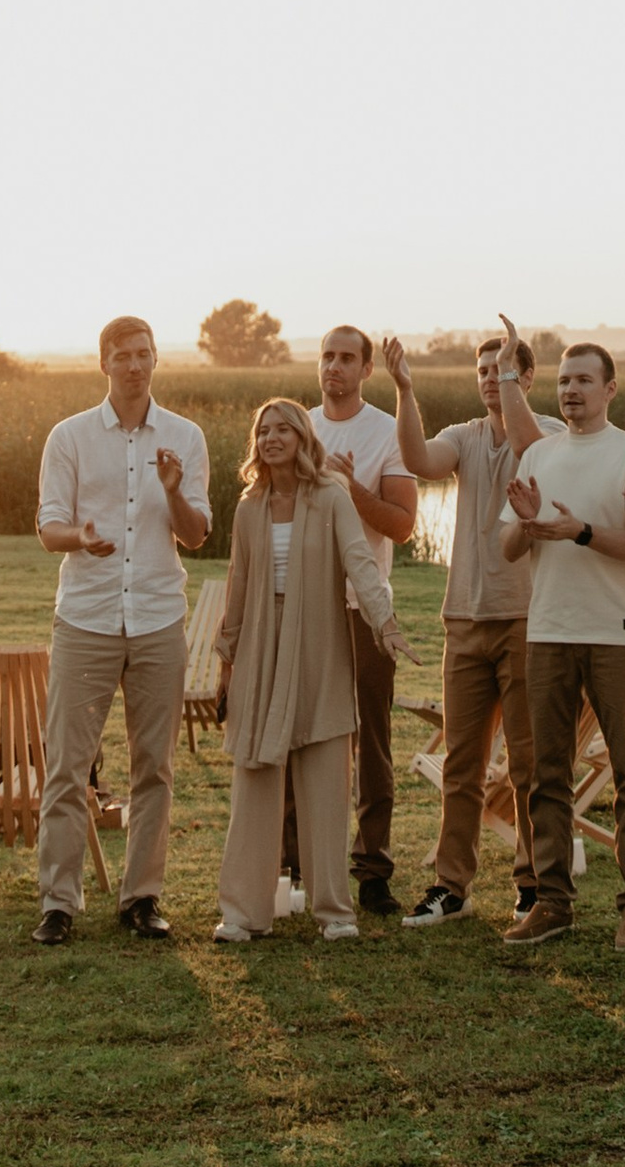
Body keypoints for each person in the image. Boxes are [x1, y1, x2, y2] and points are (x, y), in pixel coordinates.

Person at [33, 317, 212, 946]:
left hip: (159, 619)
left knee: (153, 767)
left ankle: (141, 898)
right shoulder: (70, 437)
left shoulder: (185, 438)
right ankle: (58, 903)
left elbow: (197, 533)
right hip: (86, 618)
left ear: (155, 359)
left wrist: (174, 491)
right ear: (103, 363)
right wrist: (79, 537)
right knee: (68, 766)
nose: (134, 366)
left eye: (143, 354)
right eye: (122, 356)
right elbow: (48, 526)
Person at [212, 401, 416, 939]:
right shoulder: (249, 508)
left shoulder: (331, 495)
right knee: (255, 775)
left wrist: (385, 623)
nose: (272, 438)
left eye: (283, 429)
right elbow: (238, 584)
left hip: (320, 639)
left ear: (304, 438)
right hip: (261, 643)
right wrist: (227, 660)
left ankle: (334, 911)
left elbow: (360, 562)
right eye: (264, 430)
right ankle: (244, 913)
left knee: (325, 773)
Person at [496, 345, 625, 952]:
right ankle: (552, 903)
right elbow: (509, 550)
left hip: (615, 635)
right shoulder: (538, 455)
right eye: (565, 380)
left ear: (610, 389)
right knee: (546, 774)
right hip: (548, 632)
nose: (571, 390)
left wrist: (582, 532)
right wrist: (527, 523)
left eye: (584, 380)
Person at [383, 318, 555, 928]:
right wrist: (405, 390)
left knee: (529, 764)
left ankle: (533, 885)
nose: (488, 379)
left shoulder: (548, 432)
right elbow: (419, 459)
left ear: (526, 377)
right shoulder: (464, 435)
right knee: (462, 764)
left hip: (526, 621)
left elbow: (532, 451)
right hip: (464, 619)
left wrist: (509, 382)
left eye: (500, 370)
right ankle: (450, 888)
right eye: (481, 371)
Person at [308, 326, 420, 914]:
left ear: (367, 370)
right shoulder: (299, 428)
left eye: (347, 358)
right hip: (304, 607)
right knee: (301, 733)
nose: (334, 366)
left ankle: (372, 868)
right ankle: (296, 864)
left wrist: (349, 488)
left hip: (364, 606)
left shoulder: (386, 433)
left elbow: (402, 525)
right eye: (327, 356)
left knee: (370, 741)